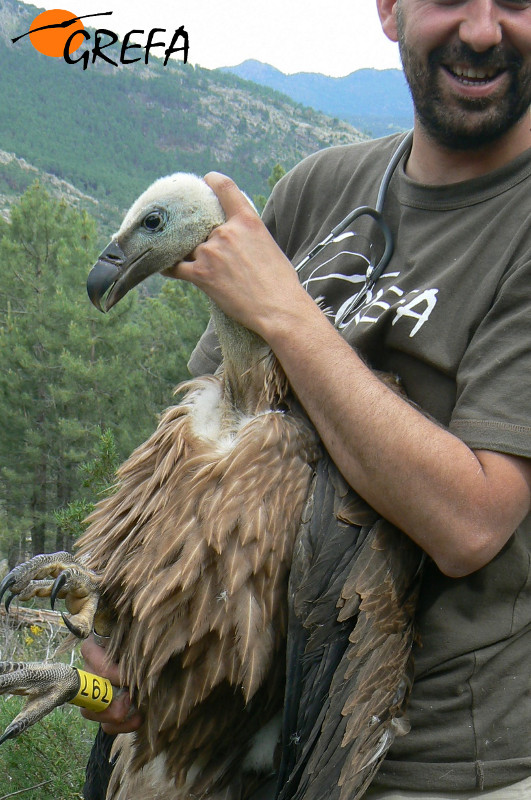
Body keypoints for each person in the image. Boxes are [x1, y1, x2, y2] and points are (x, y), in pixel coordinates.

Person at [81, 0, 531, 797]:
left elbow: (469, 523)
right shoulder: (325, 186)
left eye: (516, 1)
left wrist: (286, 313)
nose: (483, 29)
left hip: (424, 766)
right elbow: (209, 447)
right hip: (226, 736)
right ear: (390, 11)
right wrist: (117, 634)